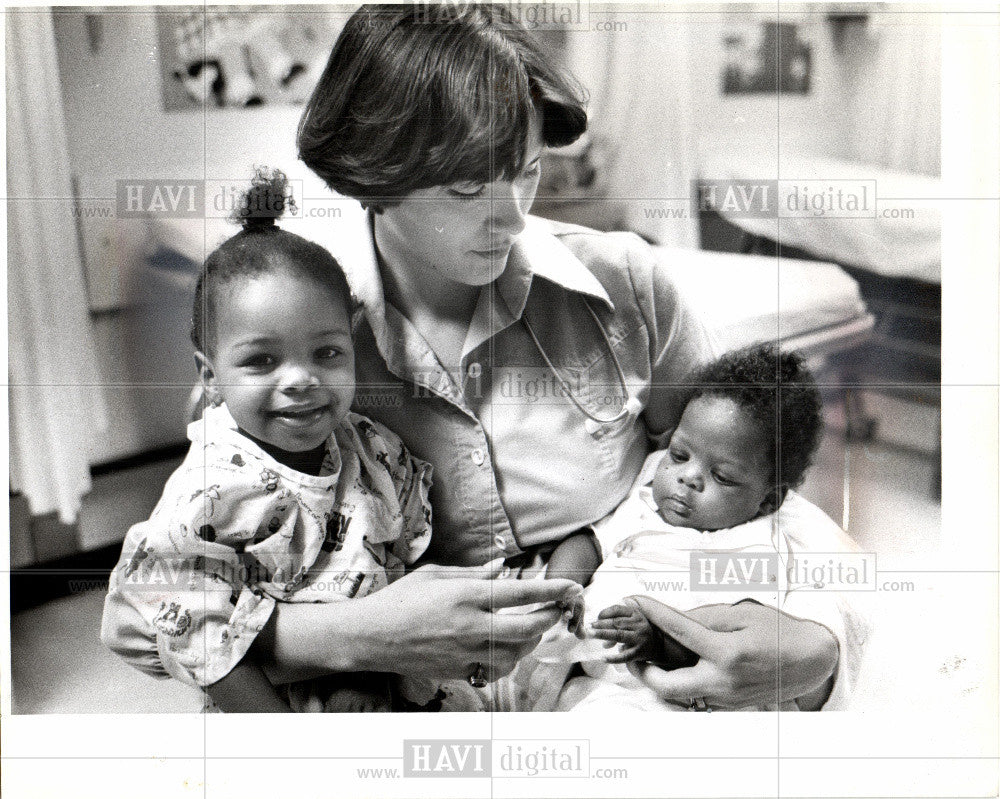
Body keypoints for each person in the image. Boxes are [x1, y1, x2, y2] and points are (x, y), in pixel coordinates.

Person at [104, 3, 852, 710]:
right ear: (374, 179)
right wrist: (357, 632)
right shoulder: (291, 353)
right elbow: (153, 615)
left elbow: (748, 472)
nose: (514, 215)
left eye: (526, 170)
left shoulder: (627, 286)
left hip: (607, 683)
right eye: (468, 187)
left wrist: (821, 640)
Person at [101, 169, 581, 712]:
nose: (301, 379)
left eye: (327, 353)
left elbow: (405, 576)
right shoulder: (211, 490)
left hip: (391, 679)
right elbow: (196, 636)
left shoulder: (375, 450)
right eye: (262, 360)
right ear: (209, 375)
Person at [534, 345, 870, 711]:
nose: (688, 477)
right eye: (679, 455)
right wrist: (559, 588)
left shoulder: (755, 545)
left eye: (722, 476)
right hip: (593, 669)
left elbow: (732, 641)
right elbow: (588, 544)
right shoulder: (644, 504)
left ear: (768, 501)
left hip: (680, 694)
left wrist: (655, 641)